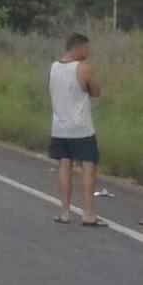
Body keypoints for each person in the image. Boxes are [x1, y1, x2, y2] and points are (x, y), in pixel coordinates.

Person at [49, 33, 106, 227]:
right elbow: (96, 92)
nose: (88, 52)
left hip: (59, 127)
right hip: (81, 128)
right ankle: (88, 214)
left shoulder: (54, 67)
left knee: (64, 166)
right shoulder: (83, 68)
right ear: (78, 48)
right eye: (86, 48)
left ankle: (65, 212)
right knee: (88, 167)